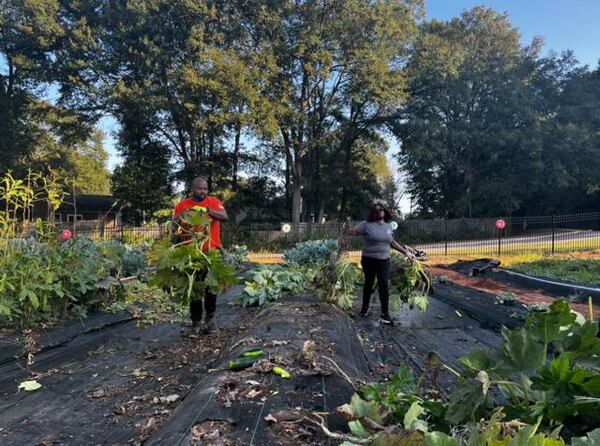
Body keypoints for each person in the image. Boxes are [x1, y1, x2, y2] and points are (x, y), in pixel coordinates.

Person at [173, 177, 228, 334]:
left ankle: (210, 320)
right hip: (191, 253)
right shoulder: (183, 205)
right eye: (199, 189)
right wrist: (184, 214)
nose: (202, 191)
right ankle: (196, 322)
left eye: (205, 189)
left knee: (211, 287)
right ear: (193, 189)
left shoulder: (213, 202)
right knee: (195, 289)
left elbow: (225, 216)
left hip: (211, 251)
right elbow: (174, 222)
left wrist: (210, 212)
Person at [347, 201, 415, 326]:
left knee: (383, 284)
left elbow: (392, 242)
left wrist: (406, 252)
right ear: (373, 212)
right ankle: (365, 308)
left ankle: (385, 314)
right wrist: (348, 227)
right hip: (369, 259)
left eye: (382, 209)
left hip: (384, 260)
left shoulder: (388, 226)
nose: (380, 211)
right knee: (369, 283)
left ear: (385, 211)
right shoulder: (366, 225)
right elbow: (353, 232)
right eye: (377, 209)